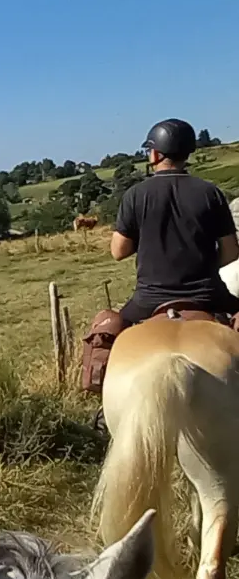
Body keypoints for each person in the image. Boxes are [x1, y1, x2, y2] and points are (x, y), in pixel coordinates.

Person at [81, 118, 239, 398]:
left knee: (106, 327)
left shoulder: (135, 195)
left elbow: (118, 252)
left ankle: (104, 405)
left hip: (148, 299)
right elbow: (230, 251)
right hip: (209, 295)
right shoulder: (210, 192)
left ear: (156, 154)